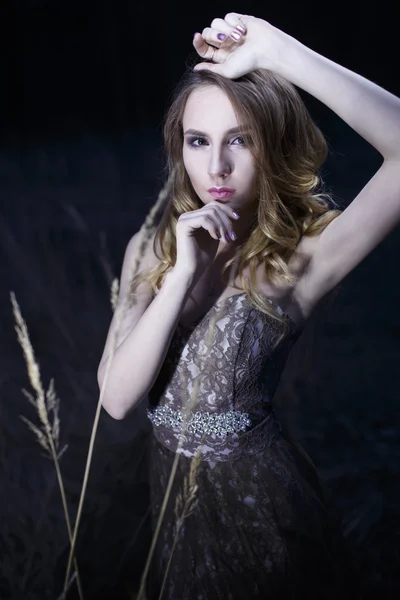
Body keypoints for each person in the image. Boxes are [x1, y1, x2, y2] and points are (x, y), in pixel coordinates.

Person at [97, 12, 400, 599]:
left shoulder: (301, 259)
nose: (217, 167)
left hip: (261, 511)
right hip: (168, 503)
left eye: (241, 140)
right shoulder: (153, 247)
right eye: (199, 141)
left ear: (272, 145)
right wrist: (181, 273)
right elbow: (115, 399)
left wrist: (278, 51)